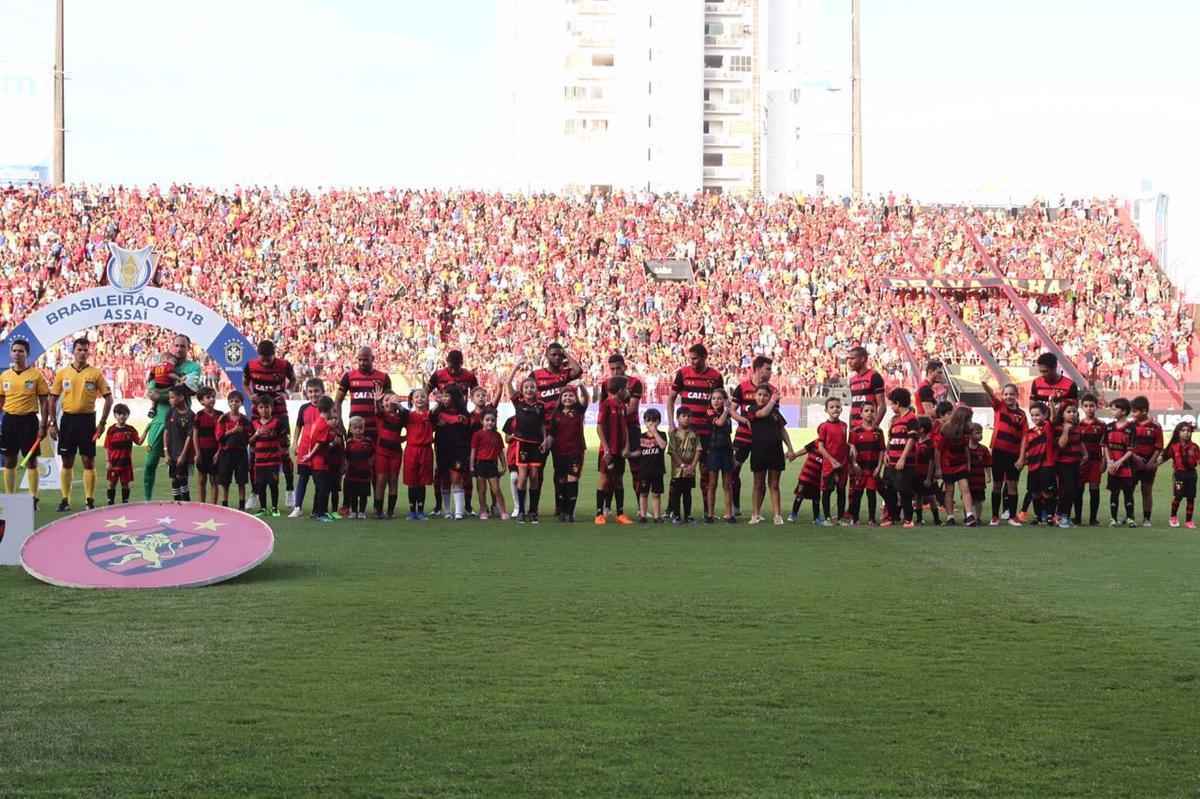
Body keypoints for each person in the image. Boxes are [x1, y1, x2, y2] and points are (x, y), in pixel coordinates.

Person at [48, 337, 112, 511]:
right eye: (79, 350)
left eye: (85, 350)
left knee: (88, 461)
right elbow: (52, 399)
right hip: (67, 420)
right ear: (73, 351)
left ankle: (89, 500)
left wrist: (102, 423)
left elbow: (108, 398)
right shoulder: (62, 373)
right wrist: (52, 423)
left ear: (88, 352)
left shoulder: (95, 373)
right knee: (67, 461)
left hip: (87, 421)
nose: (82, 353)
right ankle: (65, 499)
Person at [668, 343, 725, 518]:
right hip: (686, 434)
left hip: (707, 433)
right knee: (679, 472)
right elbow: (671, 399)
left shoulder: (715, 376)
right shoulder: (683, 373)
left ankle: (708, 512)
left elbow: (720, 402)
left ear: (704, 357)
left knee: (705, 474)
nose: (691, 362)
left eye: (695, 358)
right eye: (690, 358)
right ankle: (672, 510)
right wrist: (671, 424)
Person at [143, 334, 202, 501]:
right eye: (176, 345)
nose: (179, 348)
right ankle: (147, 500)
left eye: (183, 346)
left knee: (181, 465)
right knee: (149, 463)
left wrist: (162, 394)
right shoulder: (160, 364)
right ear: (171, 346)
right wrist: (174, 390)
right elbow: (151, 393)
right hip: (159, 420)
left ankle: (183, 502)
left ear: (188, 349)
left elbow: (189, 389)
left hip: (182, 422)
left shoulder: (193, 367)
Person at [528, 343, 583, 516]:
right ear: (546, 355)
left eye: (560, 355)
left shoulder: (564, 374)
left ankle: (560, 507)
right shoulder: (536, 375)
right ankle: (533, 508)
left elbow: (578, 370)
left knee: (560, 471)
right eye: (554, 355)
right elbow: (527, 392)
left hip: (560, 430)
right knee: (537, 470)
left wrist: (565, 351)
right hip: (540, 429)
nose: (558, 358)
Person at [244, 340, 299, 507]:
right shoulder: (251, 365)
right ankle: (254, 493)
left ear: (274, 354)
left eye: (268, 358)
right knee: (254, 454)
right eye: (263, 358)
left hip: (279, 413)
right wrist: (250, 395)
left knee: (283, 452)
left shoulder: (284, 365)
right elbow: (245, 383)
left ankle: (290, 490)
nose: (265, 362)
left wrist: (287, 391)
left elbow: (294, 379)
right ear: (258, 355)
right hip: (257, 414)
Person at [731, 384, 795, 525]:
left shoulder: (775, 412)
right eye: (759, 394)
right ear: (755, 396)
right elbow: (763, 413)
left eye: (765, 395)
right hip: (759, 451)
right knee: (758, 484)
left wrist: (790, 448)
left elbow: (782, 430)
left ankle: (777, 515)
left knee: (774, 484)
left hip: (776, 451)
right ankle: (755, 514)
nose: (762, 397)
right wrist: (773, 400)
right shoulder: (752, 409)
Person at [428, 350, 480, 515]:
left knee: (462, 473)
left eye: (457, 365)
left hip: (460, 434)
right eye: (451, 365)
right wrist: (437, 402)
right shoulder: (438, 375)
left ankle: (466, 507)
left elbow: (476, 391)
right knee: (442, 473)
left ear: (461, 363)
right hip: (444, 438)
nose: (454, 369)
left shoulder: (469, 376)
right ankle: (441, 508)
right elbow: (426, 390)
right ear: (447, 362)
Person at [0, 339, 50, 504]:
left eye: (21, 351)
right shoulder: (5, 376)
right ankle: (10, 497)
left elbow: (44, 401)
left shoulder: (36, 375)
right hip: (9, 420)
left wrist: (43, 424)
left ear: (27, 354)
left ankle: (33, 498)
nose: (17, 354)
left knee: (31, 460)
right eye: (14, 350)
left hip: (29, 421)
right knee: (9, 459)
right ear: (10, 353)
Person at [597, 353, 643, 521]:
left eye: (618, 368)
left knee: (636, 470)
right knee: (611, 472)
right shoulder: (605, 384)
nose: (615, 371)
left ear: (625, 367)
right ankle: (607, 507)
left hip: (631, 428)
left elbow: (632, 408)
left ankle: (641, 507)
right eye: (612, 369)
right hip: (612, 431)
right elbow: (603, 406)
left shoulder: (635, 383)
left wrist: (619, 411)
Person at [731, 356, 777, 517]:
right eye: (768, 368)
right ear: (757, 369)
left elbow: (774, 415)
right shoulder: (742, 387)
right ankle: (735, 506)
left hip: (762, 440)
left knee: (761, 476)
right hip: (743, 437)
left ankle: (756, 511)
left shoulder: (772, 390)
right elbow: (731, 410)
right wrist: (743, 419)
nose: (771, 372)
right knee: (733, 470)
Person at [509, 373, 554, 524]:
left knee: (534, 476)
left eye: (532, 387)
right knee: (522, 477)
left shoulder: (540, 406)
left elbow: (542, 425)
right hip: (522, 443)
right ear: (522, 390)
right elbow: (508, 383)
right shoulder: (518, 402)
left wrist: (544, 439)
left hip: (536, 444)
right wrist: (516, 368)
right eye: (526, 387)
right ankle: (521, 510)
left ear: (536, 389)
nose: (529, 389)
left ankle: (533, 511)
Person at [981, 381, 1027, 527]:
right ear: (1002, 395)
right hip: (998, 452)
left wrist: (1021, 458)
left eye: (1011, 394)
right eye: (1006, 394)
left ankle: (1012, 517)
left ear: (1017, 396)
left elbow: (1025, 437)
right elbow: (991, 394)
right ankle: (995, 517)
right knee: (997, 485)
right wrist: (985, 384)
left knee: (1012, 486)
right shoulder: (999, 406)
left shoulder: (1022, 415)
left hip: (1013, 455)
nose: (1008, 397)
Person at [334, 346, 392, 444]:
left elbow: (389, 403)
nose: (362, 363)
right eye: (359, 360)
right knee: (354, 457)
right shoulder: (348, 377)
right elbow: (337, 401)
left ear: (372, 359)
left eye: (365, 360)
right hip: (355, 428)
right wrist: (339, 422)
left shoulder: (384, 378)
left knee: (375, 458)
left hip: (376, 429)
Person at [595, 376, 632, 525]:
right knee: (604, 480)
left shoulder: (622, 406)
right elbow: (599, 427)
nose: (628, 391)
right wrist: (606, 448)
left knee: (619, 480)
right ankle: (599, 514)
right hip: (608, 450)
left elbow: (625, 428)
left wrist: (627, 446)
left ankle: (620, 513)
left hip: (620, 450)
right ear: (621, 390)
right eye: (627, 388)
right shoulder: (606, 404)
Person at [879, 387, 918, 529]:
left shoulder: (911, 418)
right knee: (887, 488)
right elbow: (891, 439)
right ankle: (892, 516)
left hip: (904, 463)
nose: (890, 407)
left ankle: (908, 519)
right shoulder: (894, 420)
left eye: (891, 404)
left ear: (898, 403)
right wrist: (887, 454)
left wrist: (903, 458)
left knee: (904, 490)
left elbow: (912, 438)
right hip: (892, 461)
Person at [433, 385, 473, 520]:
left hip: (459, 450)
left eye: (447, 395)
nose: (444, 398)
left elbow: (467, 430)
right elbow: (431, 423)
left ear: (454, 397)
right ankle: (447, 510)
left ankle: (459, 512)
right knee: (444, 479)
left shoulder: (463, 413)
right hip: (442, 449)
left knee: (456, 478)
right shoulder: (437, 412)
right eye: (443, 395)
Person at [550, 384, 587, 522]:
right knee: (561, 481)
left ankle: (570, 512)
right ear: (561, 398)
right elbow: (552, 434)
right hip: (559, 452)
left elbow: (586, 399)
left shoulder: (578, 411)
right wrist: (545, 444)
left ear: (575, 398)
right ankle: (563, 510)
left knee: (572, 479)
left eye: (571, 395)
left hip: (575, 452)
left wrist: (581, 387)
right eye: (565, 395)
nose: (567, 398)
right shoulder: (556, 414)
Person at [290, 378, 326, 517]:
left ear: (323, 392)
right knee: (302, 479)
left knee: (319, 481)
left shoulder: (327, 408)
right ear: (306, 393)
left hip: (319, 451)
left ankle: (316, 509)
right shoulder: (303, 408)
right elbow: (299, 426)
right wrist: (294, 443)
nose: (313, 394)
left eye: (316, 391)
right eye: (310, 391)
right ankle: (298, 507)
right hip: (305, 450)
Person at [299, 396, 338, 522]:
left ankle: (316, 512)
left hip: (317, 461)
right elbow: (319, 443)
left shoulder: (318, 422)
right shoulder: (324, 425)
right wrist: (310, 455)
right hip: (319, 462)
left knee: (320, 488)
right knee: (323, 489)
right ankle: (321, 513)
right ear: (329, 409)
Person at [1017, 402, 1055, 525]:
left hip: (1046, 466)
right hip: (1033, 467)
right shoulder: (1029, 433)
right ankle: (1039, 516)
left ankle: (1050, 515)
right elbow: (1026, 449)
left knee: (1047, 492)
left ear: (1045, 415)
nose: (1034, 418)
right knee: (1035, 493)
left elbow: (1053, 417)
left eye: (1037, 415)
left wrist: (1052, 403)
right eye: (1032, 415)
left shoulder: (1048, 427)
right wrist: (1023, 459)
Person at [937, 405, 977, 526]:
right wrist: (938, 468)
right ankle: (950, 517)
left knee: (965, 488)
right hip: (948, 464)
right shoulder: (946, 430)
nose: (970, 422)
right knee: (949, 491)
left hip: (961, 464)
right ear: (961, 419)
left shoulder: (967, 431)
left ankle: (970, 515)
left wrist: (968, 464)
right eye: (969, 419)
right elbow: (938, 450)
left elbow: (966, 448)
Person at [703, 388, 736, 523]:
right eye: (714, 398)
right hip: (713, 451)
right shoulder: (710, 412)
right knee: (712, 483)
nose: (716, 401)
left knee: (727, 484)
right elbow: (719, 423)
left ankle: (729, 514)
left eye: (719, 398)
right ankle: (710, 514)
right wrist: (727, 410)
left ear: (724, 400)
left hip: (727, 451)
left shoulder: (727, 413)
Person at [1129, 395, 1163, 527]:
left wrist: (1151, 462)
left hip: (1149, 464)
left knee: (1146, 490)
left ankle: (1147, 518)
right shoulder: (1131, 425)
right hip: (1133, 462)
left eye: (1135, 411)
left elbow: (1159, 446)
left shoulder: (1155, 426)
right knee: (1129, 489)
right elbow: (1128, 445)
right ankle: (1129, 516)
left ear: (1144, 411)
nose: (1133, 414)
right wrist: (1135, 458)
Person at [372, 385, 406, 520]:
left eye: (391, 400)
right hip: (382, 452)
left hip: (396, 453)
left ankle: (390, 511)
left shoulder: (400, 417)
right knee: (381, 480)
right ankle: (379, 510)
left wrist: (403, 439)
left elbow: (409, 420)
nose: (388, 403)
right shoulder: (382, 415)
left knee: (393, 480)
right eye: (385, 400)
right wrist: (376, 400)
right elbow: (377, 410)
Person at [848, 403, 884, 525]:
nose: (869, 413)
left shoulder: (878, 432)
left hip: (872, 469)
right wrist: (854, 465)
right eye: (866, 410)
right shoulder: (855, 431)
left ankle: (871, 519)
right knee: (857, 494)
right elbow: (852, 450)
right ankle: (855, 518)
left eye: (872, 411)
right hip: (859, 470)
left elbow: (881, 451)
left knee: (871, 493)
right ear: (861, 413)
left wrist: (879, 467)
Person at [815, 397, 849, 526]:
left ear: (841, 409)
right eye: (832, 407)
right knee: (827, 491)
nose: (835, 409)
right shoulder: (824, 427)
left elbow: (844, 444)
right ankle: (827, 518)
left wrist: (851, 449)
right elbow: (821, 447)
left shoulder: (844, 425)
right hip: (829, 465)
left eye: (837, 407)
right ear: (826, 410)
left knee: (841, 491)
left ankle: (840, 518)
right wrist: (831, 460)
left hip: (843, 464)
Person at [1103, 398, 1137, 527]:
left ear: (1123, 411)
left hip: (1126, 467)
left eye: (1115, 409)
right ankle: (1113, 518)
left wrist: (1119, 462)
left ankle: (1130, 518)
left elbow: (1131, 449)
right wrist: (1110, 461)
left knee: (1128, 492)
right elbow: (1105, 445)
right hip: (1112, 466)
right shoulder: (1109, 427)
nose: (1112, 411)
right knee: (1114, 492)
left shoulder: (1131, 428)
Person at [215, 391, 252, 510]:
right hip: (226, 453)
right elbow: (219, 437)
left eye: (237, 401)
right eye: (231, 401)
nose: (234, 403)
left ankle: (242, 505)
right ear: (228, 403)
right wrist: (232, 431)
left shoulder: (245, 420)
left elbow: (249, 437)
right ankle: (225, 504)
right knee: (225, 481)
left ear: (241, 403)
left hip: (241, 453)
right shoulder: (223, 419)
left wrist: (244, 435)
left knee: (241, 481)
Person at [249, 395, 284, 517]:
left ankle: (275, 508)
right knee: (261, 485)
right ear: (257, 409)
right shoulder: (254, 423)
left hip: (273, 461)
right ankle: (263, 508)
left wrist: (271, 434)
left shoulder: (277, 422)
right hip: (259, 461)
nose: (264, 410)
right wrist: (257, 434)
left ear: (272, 408)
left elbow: (282, 439)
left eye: (267, 407)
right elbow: (250, 441)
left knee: (273, 485)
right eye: (261, 407)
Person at [470, 411, 508, 521]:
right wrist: (472, 466)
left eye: (492, 420)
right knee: (481, 490)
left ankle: (503, 511)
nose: (490, 422)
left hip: (492, 464)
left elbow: (500, 452)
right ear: (482, 421)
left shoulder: (497, 435)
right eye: (487, 420)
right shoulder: (477, 435)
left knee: (496, 489)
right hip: (480, 464)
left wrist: (504, 465)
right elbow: (473, 451)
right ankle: (483, 510)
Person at [1075, 393, 1106, 526]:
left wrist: (1104, 461)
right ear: (1082, 407)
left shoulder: (1101, 425)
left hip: (1095, 461)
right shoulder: (1078, 425)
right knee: (1079, 489)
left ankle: (1093, 519)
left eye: (1092, 406)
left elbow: (1104, 445)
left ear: (1096, 407)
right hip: (1081, 462)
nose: (1089, 408)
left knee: (1094, 488)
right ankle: (1077, 518)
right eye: (1086, 406)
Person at [666, 407, 700, 524]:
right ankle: (676, 515)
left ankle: (688, 515)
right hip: (677, 470)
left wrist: (693, 466)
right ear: (678, 418)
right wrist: (681, 465)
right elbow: (672, 451)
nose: (686, 419)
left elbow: (698, 450)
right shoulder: (674, 434)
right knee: (676, 493)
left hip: (690, 470)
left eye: (688, 416)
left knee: (687, 493)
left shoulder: (694, 434)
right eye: (683, 416)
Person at [102, 404, 141, 505]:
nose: (122, 416)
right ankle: (110, 503)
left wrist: (148, 430)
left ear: (128, 415)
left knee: (125, 484)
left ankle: (125, 503)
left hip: (126, 463)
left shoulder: (131, 430)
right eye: (119, 414)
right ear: (115, 415)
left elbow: (139, 442)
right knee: (111, 484)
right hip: (114, 463)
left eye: (124, 414)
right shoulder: (111, 430)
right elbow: (107, 447)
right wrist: (107, 462)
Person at [1054, 403, 1085, 529]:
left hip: (1075, 462)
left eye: (1074, 411)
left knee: (1074, 490)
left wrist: (1084, 454)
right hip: (1063, 463)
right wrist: (1066, 430)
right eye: (1069, 411)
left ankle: (1065, 515)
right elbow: (1061, 445)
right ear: (1062, 414)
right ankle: (1060, 516)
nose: (1072, 414)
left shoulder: (1077, 427)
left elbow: (1080, 442)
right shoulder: (1058, 428)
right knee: (1066, 490)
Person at [1164, 421, 1199, 528]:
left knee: (1191, 498)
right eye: (1183, 430)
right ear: (1178, 432)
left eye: (1188, 431)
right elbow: (1165, 457)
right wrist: (1153, 465)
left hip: (1191, 475)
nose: (1186, 433)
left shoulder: (1195, 447)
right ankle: (1173, 517)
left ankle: (1189, 521)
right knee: (1178, 496)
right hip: (1179, 474)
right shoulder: (1174, 447)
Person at [635, 409, 667, 523]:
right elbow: (637, 452)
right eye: (648, 421)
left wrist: (655, 433)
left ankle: (657, 516)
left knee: (656, 494)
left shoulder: (662, 434)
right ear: (644, 422)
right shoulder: (641, 436)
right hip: (644, 470)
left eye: (654, 421)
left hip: (657, 470)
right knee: (643, 493)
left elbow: (663, 446)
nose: (651, 424)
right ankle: (643, 515)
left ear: (659, 422)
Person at [165, 385, 196, 502]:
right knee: (174, 479)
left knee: (182, 478)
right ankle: (176, 503)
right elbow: (166, 432)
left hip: (183, 454)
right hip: (171, 452)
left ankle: (186, 503)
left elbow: (189, 436)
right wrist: (166, 452)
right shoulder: (170, 412)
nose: (170, 400)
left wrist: (183, 455)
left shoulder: (190, 415)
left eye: (172, 397)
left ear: (181, 397)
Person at [191, 386, 221, 504]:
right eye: (208, 397)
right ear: (201, 401)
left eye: (213, 397)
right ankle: (202, 505)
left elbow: (222, 436)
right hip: (203, 452)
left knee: (214, 480)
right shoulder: (198, 416)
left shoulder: (220, 415)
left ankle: (214, 506)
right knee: (202, 480)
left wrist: (218, 452)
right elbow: (195, 435)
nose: (212, 399)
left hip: (215, 452)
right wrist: (197, 453)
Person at [846, 346, 887, 430]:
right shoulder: (852, 380)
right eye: (848, 358)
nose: (849, 362)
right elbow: (853, 406)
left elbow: (882, 406)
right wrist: (850, 429)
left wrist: (873, 426)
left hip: (868, 428)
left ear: (863, 359)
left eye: (852, 358)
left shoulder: (874, 376)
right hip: (855, 429)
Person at [343, 417, 375, 520]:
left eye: (360, 428)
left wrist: (371, 463)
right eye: (355, 428)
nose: (358, 430)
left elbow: (373, 454)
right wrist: (345, 468)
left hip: (364, 472)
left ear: (364, 429)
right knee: (353, 494)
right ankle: (354, 511)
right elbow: (346, 457)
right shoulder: (349, 443)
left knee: (363, 494)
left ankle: (361, 511)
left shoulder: (368, 441)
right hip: (352, 473)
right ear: (351, 429)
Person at [788, 442, 824, 523]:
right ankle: (793, 514)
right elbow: (805, 450)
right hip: (806, 475)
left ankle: (816, 518)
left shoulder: (829, 446)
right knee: (799, 495)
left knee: (816, 498)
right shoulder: (815, 443)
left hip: (817, 478)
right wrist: (795, 455)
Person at [966, 423, 991, 519]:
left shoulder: (984, 449)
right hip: (968, 480)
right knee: (968, 499)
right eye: (977, 433)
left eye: (981, 433)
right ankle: (968, 517)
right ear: (969, 434)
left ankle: (978, 518)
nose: (980, 435)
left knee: (978, 500)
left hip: (979, 480)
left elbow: (988, 464)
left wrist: (989, 476)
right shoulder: (965, 448)